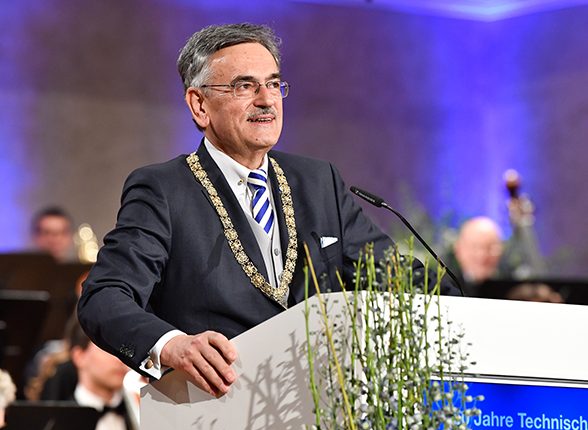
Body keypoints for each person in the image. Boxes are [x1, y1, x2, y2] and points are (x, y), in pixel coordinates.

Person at [78, 23, 457, 399]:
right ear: (199, 104)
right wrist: (173, 345)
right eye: (245, 86)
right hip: (212, 414)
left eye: (274, 84)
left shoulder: (317, 181)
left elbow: (397, 278)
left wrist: (466, 308)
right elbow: (104, 298)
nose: (266, 99)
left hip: (321, 412)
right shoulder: (164, 189)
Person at [453, 216, 504, 287]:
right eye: (474, 247)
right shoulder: (442, 289)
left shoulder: (514, 291)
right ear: (458, 250)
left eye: (489, 247)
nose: (482, 255)